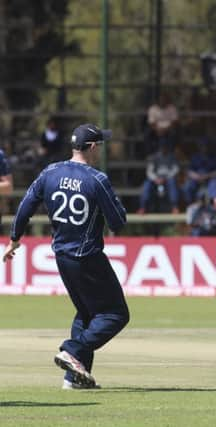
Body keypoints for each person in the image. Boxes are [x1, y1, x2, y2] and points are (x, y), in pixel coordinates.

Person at [2, 123, 129, 390]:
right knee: (116, 314)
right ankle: (72, 350)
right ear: (93, 147)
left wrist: (14, 239)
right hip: (89, 256)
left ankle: (74, 379)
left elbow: (25, 205)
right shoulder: (97, 179)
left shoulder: (50, 172)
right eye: (100, 145)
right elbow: (118, 222)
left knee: (86, 313)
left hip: (62, 257)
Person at [138, 141, 180, 214]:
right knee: (147, 184)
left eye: (165, 147)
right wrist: (156, 179)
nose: (163, 149)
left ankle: (174, 207)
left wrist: (166, 178)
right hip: (156, 179)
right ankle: (143, 207)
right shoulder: (154, 157)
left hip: (167, 179)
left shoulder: (172, 157)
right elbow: (149, 171)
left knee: (172, 182)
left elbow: (176, 169)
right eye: (162, 147)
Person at [182, 139, 216, 210]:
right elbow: (189, 171)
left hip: (209, 178)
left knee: (215, 183)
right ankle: (190, 204)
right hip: (196, 178)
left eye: (206, 146)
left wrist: (207, 176)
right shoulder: (195, 157)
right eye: (202, 146)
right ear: (199, 147)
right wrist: (196, 176)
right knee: (187, 186)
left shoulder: (214, 157)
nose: (204, 148)